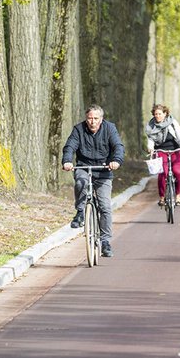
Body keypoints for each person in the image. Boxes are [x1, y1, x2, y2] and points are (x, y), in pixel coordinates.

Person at [61, 104, 125, 257]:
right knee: (80, 182)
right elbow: (69, 146)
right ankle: (80, 212)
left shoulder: (110, 128)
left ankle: (105, 241)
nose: (92, 121)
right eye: (90, 118)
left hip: (104, 169)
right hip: (84, 167)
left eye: (96, 118)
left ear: (101, 119)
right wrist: (67, 161)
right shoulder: (78, 129)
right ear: (86, 118)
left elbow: (118, 146)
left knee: (105, 206)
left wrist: (116, 160)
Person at [145, 103, 180, 206]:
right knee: (163, 173)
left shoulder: (172, 122)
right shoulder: (151, 125)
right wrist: (150, 148)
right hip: (160, 151)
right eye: (155, 114)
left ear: (165, 114)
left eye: (160, 114)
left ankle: (178, 195)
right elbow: (151, 139)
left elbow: (179, 135)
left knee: (177, 172)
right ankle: (162, 197)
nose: (157, 116)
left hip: (175, 150)